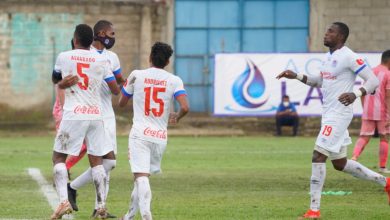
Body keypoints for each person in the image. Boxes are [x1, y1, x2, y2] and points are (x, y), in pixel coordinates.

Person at [276, 22, 390, 219]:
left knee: (317, 156)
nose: (326, 33)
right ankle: (386, 183)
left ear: (341, 37)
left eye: (331, 31)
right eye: (327, 30)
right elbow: (319, 82)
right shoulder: (328, 58)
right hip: (328, 115)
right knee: (340, 163)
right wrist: (297, 76)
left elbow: (373, 81)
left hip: (339, 115)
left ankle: (314, 210)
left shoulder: (350, 56)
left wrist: (356, 93)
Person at [50, 24, 119, 219]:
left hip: (74, 113)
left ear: (76, 39)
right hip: (96, 115)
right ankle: (101, 206)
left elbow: (56, 79)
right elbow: (114, 87)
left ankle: (64, 201)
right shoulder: (102, 60)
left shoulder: (64, 56)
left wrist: (63, 83)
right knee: (97, 161)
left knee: (58, 158)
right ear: (92, 40)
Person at [118, 42, 189, 220]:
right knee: (141, 178)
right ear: (167, 62)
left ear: (150, 57)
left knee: (141, 177)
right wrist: (177, 117)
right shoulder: (174, 80)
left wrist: (130, 89)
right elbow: (185, 107)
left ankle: (146, 215)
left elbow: (121, 103)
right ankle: (128, 216)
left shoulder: (137, 75)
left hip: (140, 134)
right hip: (159, 137)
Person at [351, 50, 390, 173]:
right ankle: (382, 167)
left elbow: (363, 92)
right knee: (384, 137)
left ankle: (354, 158)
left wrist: (365, 108)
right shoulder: (388, 74)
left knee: (364, 136)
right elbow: (388, 96)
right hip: (383, 111)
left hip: (368, 110)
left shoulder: (370, 72)